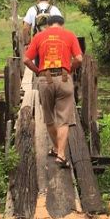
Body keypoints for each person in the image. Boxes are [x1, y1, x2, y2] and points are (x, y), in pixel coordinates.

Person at [23, 15, 83, 168]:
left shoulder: (39, 36)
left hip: (45, 79)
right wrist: (70, 70)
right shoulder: (69, 35)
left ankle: (56, 148)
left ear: (48, 25)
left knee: (49, 118)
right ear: (62, 24)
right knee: (64, 119)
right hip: (63, 79)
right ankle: (61, 154)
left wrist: (38, 71)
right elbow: (79, 58)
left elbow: (25, 60)